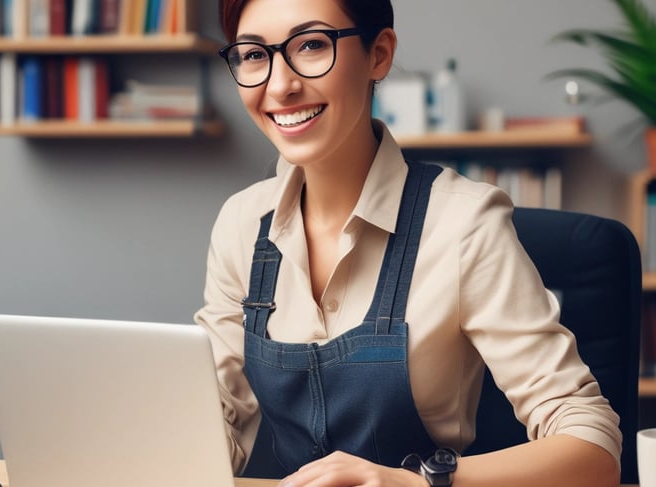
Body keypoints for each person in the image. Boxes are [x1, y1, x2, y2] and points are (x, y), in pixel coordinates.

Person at [194, 0, 622, 486]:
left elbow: (593, 450)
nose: (279, 85)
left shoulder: (464, 224)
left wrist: (414, 482)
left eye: (311, 45)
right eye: (253, 55)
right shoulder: (241, 224)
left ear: (378, 54)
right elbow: (212, 424)